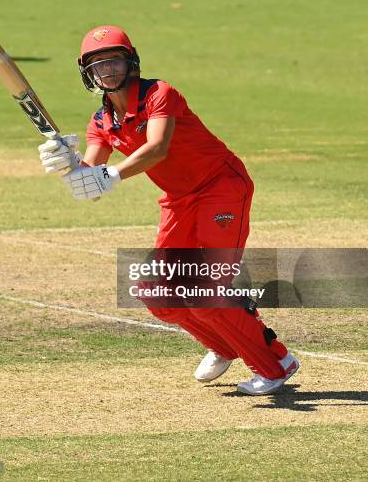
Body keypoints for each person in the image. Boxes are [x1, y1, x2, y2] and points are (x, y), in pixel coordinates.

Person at [38, 25, 299, 395]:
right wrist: (68, 164)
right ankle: (224, 346)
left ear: (131, 63)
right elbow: (90, 185)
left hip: (220, 188)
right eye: (98, 65)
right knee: (157, 292)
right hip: (179, 200)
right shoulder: (101, 123)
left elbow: (157, 147)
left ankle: (275, 364)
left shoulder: (160, 94)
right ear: (88, 73)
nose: (107, 70)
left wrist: (109, 175)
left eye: (114, 60)